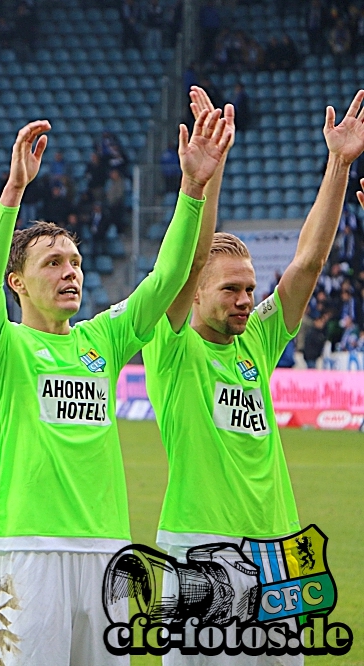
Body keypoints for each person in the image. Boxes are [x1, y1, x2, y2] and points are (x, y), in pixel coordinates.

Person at [0, 112, 231, 666]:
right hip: (29, 551)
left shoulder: (103, 340)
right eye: (54, 263)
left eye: (77, 263)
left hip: (109, 554)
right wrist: (14, 190)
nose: (72, 273)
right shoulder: (0, 346)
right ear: (18, 282)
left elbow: (167, 279)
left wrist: (192, 188)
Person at [143, 89, 364, 666]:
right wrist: (207, 179)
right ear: (193, 296)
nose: (247, 300)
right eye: (230, 290)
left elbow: (307, 262)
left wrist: (339, 164)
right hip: (201, 548)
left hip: (280, 547)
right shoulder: (171, 348)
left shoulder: (258, 343)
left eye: (249, 288)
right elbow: (187, 262)